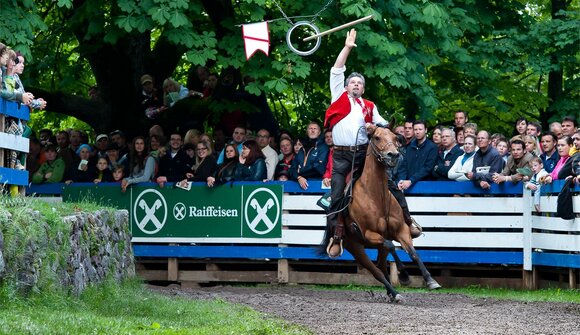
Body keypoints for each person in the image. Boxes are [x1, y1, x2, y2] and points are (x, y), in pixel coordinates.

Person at [324, 29, 416, 257]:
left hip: (365, 155)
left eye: (359, 83)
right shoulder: (339, 97)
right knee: (336, 195)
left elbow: (384, 127)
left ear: (363, 89)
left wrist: (377, 128)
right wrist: (347, 47)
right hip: (342, 156)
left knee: (391, 186)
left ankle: (408, 221)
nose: (355, 85)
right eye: (352, 82)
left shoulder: (370, 106)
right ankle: (336, 237)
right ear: (346, 86)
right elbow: (336, 70)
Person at [397, 120, 438, 189]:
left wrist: (411, 180)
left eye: (420, 129)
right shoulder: (409, 147)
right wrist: (401, 180)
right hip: (407, 186)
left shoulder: (432, 147)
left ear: (426, 130)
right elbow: (403, 166)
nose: (417, 132)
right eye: (415, 129)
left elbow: (427, 168)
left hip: (425, 187)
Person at [288, 121, 329, 190]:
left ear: (319, 132)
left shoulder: (323, 147)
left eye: (315, 129)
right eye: (310, 128)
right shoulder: (302, 149)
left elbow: (319, 168)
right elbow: (292, 169)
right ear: (307, 132)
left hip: (316, 185)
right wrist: (299, 177)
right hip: (299, 185)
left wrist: (300, 173)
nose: (312, 130)